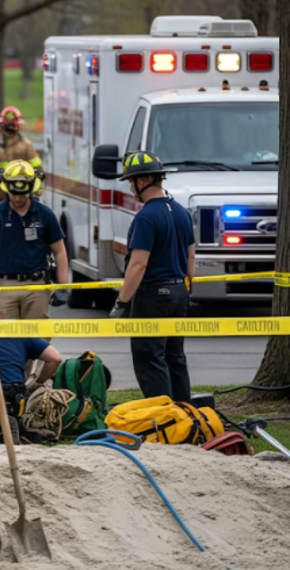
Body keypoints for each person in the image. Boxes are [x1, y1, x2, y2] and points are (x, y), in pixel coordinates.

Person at [110, 151, 194, 403]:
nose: (132, 187)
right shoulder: (181, 212)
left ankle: (163, 418)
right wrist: (185, 289)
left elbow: (138, 264)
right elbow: (191, 259)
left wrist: (122, 302)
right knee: (174, 356)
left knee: (149, 357)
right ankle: (184, 412)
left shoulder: (146, 217)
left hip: (154, 296)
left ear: (143, 180)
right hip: (179, 291)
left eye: (132, 181)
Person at [0, 160, 69, 319]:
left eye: (22, 194)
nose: (17, 199)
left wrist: (63, 286)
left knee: (38, 338)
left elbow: (59, 251)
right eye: (13, 194)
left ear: (31, 190)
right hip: (6, 286)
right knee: (5, 339)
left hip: (37, 286)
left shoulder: (45, 215)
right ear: (6, 189)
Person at [0, 295, 63, 441]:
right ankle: (6, 424)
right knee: (10, 408)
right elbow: (55, 358)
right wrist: (37, 383)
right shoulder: (18, 329)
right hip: (13, 394)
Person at [0, 106, 42, 215]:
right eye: (6, 125)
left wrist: (34, 196)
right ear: (0, 125)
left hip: (18, 202)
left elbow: (38, 173)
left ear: (18, 126)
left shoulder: (26, 147)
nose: (9, 128)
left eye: (12, 125)